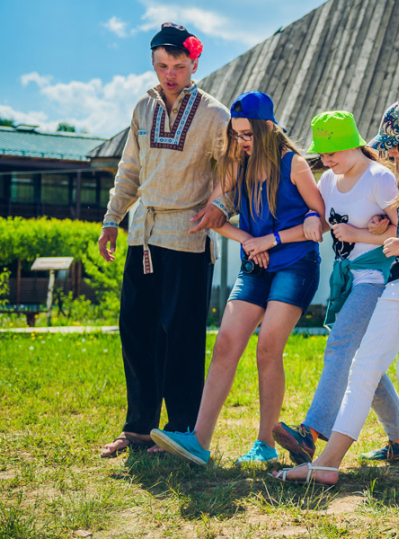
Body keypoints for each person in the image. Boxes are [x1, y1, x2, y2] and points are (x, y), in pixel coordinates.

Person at [275, 101, 399, 486]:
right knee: (363, 366)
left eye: (394, 144)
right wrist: (392, 234)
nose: (389, 152)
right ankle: (327, 463)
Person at [149, 91, 325, 465]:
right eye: (237, 134)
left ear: (267, 128)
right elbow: (212, 217)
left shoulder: (294, 165)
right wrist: (246, 238)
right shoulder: (236, 165)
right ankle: (199, 440)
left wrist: (270, 238)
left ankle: (266, 443)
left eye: (248, 134)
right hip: (256, 264)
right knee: (227, 342)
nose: (242, 141)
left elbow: (319, 220)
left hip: (295, 264)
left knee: (267, 347)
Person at [98, 23, 231, 458]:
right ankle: (138, 428)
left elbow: (232, 171)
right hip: (144, 233)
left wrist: (222, 206)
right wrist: (112, 219)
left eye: (177, 65)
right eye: (161, 65)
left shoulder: (215, 114)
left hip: (189, 238)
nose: (169, 74)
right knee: (136, 329)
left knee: (182, 335)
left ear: (194, 64)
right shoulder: (143, 106)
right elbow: (130, 169)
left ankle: (179, 429)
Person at [271, 110, 399, 466]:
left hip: (377, 279)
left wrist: (361, 235)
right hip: (347, 280)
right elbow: (318, 221)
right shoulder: (328, 182)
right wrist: (303, 221)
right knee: (360, 359)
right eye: (322, 153)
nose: (326, 160)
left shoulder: (379, 179)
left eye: (332, 152)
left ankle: (311, 432)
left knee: (340, 346)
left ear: (354, 145)